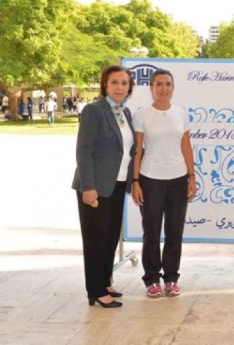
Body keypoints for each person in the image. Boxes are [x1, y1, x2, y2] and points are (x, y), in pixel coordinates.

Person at [71, 66, 136, 308]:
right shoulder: (93, 110)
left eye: (124, 83)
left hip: (118, 184)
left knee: (109, 237)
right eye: (114, 82)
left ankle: (106, 281)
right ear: (105, 85)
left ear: (129, 88)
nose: (120, 87)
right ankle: (96, 290)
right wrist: (88, 186)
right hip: (95, 186)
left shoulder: (125, 112)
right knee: (95, 239)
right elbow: (84, 150)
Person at [132, 69, 196, 298]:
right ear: (151, 87)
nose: (163, 88)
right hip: (150, 179)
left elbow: (186, 147)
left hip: (178, 179)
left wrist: (191, 177)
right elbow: (138, 150)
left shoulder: (181, 114)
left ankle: (171, 278)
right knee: (151, 232)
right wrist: (136, 181)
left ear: (173, 87)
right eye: (159, 84)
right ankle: (151, 279)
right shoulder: (142, 115)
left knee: (174, 231)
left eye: (168, 84)